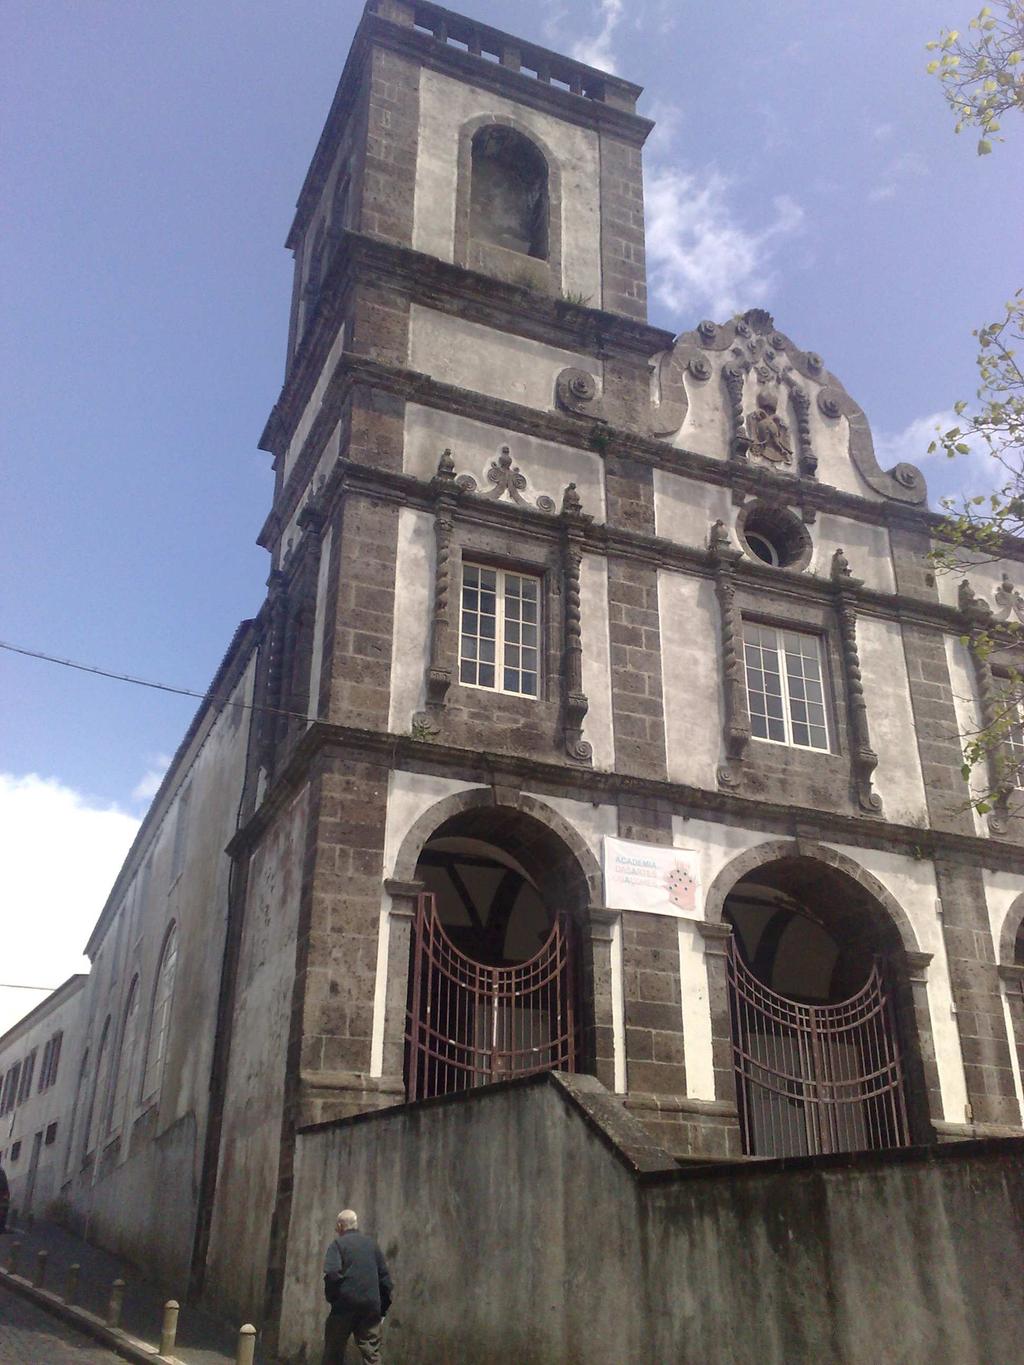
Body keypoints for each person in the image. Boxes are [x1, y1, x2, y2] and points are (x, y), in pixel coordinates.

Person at [322, 1208, 393, 1365]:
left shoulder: (337, 1245)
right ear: (355, 1225)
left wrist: (333, 1298)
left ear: (340, 1226)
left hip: (345, 1306)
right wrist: (382, 1310)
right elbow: (385, 1281)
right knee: (371, 1354)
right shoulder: (372, 1245)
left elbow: (332, 1274)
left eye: (336, 1226)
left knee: (333, 1352)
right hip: (370, 1307)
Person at [0, 1162, 10, 1234]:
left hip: (2, 1196)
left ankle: (1, 1227)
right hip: (2, 1196)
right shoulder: (1, 1172)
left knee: (3, 1211)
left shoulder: (1, 1172)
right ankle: (1, 1227)